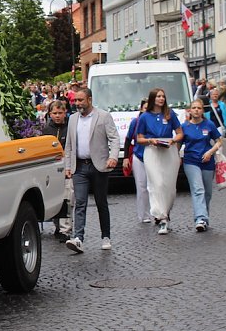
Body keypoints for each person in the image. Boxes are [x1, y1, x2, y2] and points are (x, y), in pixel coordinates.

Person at [63, 89, 120, 253]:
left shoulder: (103, 116)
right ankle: (78, 238)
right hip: (79, 167)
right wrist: (68, 166)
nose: (78, 104)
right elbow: (69, 145)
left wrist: (114, 157)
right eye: (76, 101)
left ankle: (106, 236)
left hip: (99, 165)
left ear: (89, 99)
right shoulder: (73, 119)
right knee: (80, 202)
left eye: (81, 100)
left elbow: (114, 138)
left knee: (101, 202)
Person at [136, 88, 184, 235]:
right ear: (153, 99)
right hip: (152, 151)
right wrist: (150, 140)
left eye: (163, 96)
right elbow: (139, 138)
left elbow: (180, 133)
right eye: (158, 96)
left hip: (168, 150)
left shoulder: (170, 114)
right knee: (157, 183)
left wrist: (173, 140)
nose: (161, 99)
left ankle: (165, 211)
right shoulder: (144, 117)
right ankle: (162, 217)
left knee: (169, 186)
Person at [182, 100, 223, 232]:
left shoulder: (209, 124)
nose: (196, 110)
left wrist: (210, 152)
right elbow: (178, 144)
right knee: (198, 189)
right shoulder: (185, 126)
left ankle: (205, 219)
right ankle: (200, 218)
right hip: (191, 161)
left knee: (207, 193)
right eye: (194, 108)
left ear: (202, 111)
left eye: (199, 108)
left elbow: (219, 141)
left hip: (207, 162)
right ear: (190, 110)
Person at [42, 100, 71, 240]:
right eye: (55, 113)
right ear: (50, 114)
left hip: (66, 168)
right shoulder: (46, 130)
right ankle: (57, 225)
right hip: (52, 169)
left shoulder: (70, 128)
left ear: (65, 113)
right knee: (54, 197)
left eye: (60, 113)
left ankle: (65, 229)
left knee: (67, 197)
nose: (57, 116)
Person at [125, 99, 152, 223]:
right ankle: (144, 214)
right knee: (141, 187)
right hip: (139, 156)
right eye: (145, 108)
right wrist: (126, 157)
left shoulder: (154, 122)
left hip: (153, 157)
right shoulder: (135, 122)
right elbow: (128, 139)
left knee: (154, 186)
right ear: (141, 109)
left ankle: (156, 212)